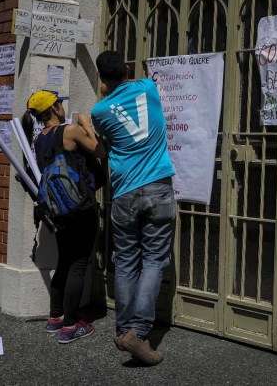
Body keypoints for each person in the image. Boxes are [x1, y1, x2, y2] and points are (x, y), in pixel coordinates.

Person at [92, 50, 176, 365]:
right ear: (126, 68)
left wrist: (107, 91)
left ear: (102, 81)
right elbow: (135, 82)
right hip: (158, 187)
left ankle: (122, 329)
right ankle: (139, 335)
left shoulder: (98, 112)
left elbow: (104, 146)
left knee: (126, 262)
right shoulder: (148, 89)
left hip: (124, 192)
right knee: (154, 261)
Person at [22, 90, 103, 344]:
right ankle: (70, 325)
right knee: (78, 264)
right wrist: (87, 126)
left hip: (58, 211)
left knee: (65, 262)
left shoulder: (39, 139)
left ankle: (55, 317)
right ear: (55, 109)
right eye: (60, 104)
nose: (63, 108)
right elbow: (99, 151)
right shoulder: (68, 131)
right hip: (80, 208)